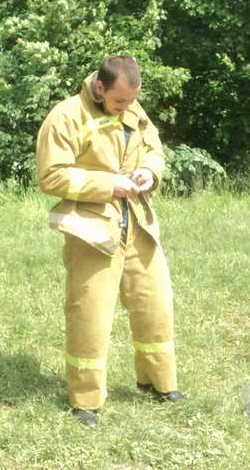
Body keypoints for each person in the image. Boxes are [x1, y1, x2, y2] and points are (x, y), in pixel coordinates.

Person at [36, 55, 184, 427]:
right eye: (119, 101)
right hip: (92, 231)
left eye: (131, 101)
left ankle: (158, 382)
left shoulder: (132, 107)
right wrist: (108, 185)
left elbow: (154, 149)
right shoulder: (66, 115)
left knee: (155, 304)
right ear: (100, 87)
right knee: (90, 313)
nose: (125, 108)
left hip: (139, 225)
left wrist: (150, 172)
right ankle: (86, 400)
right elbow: (51, 176)